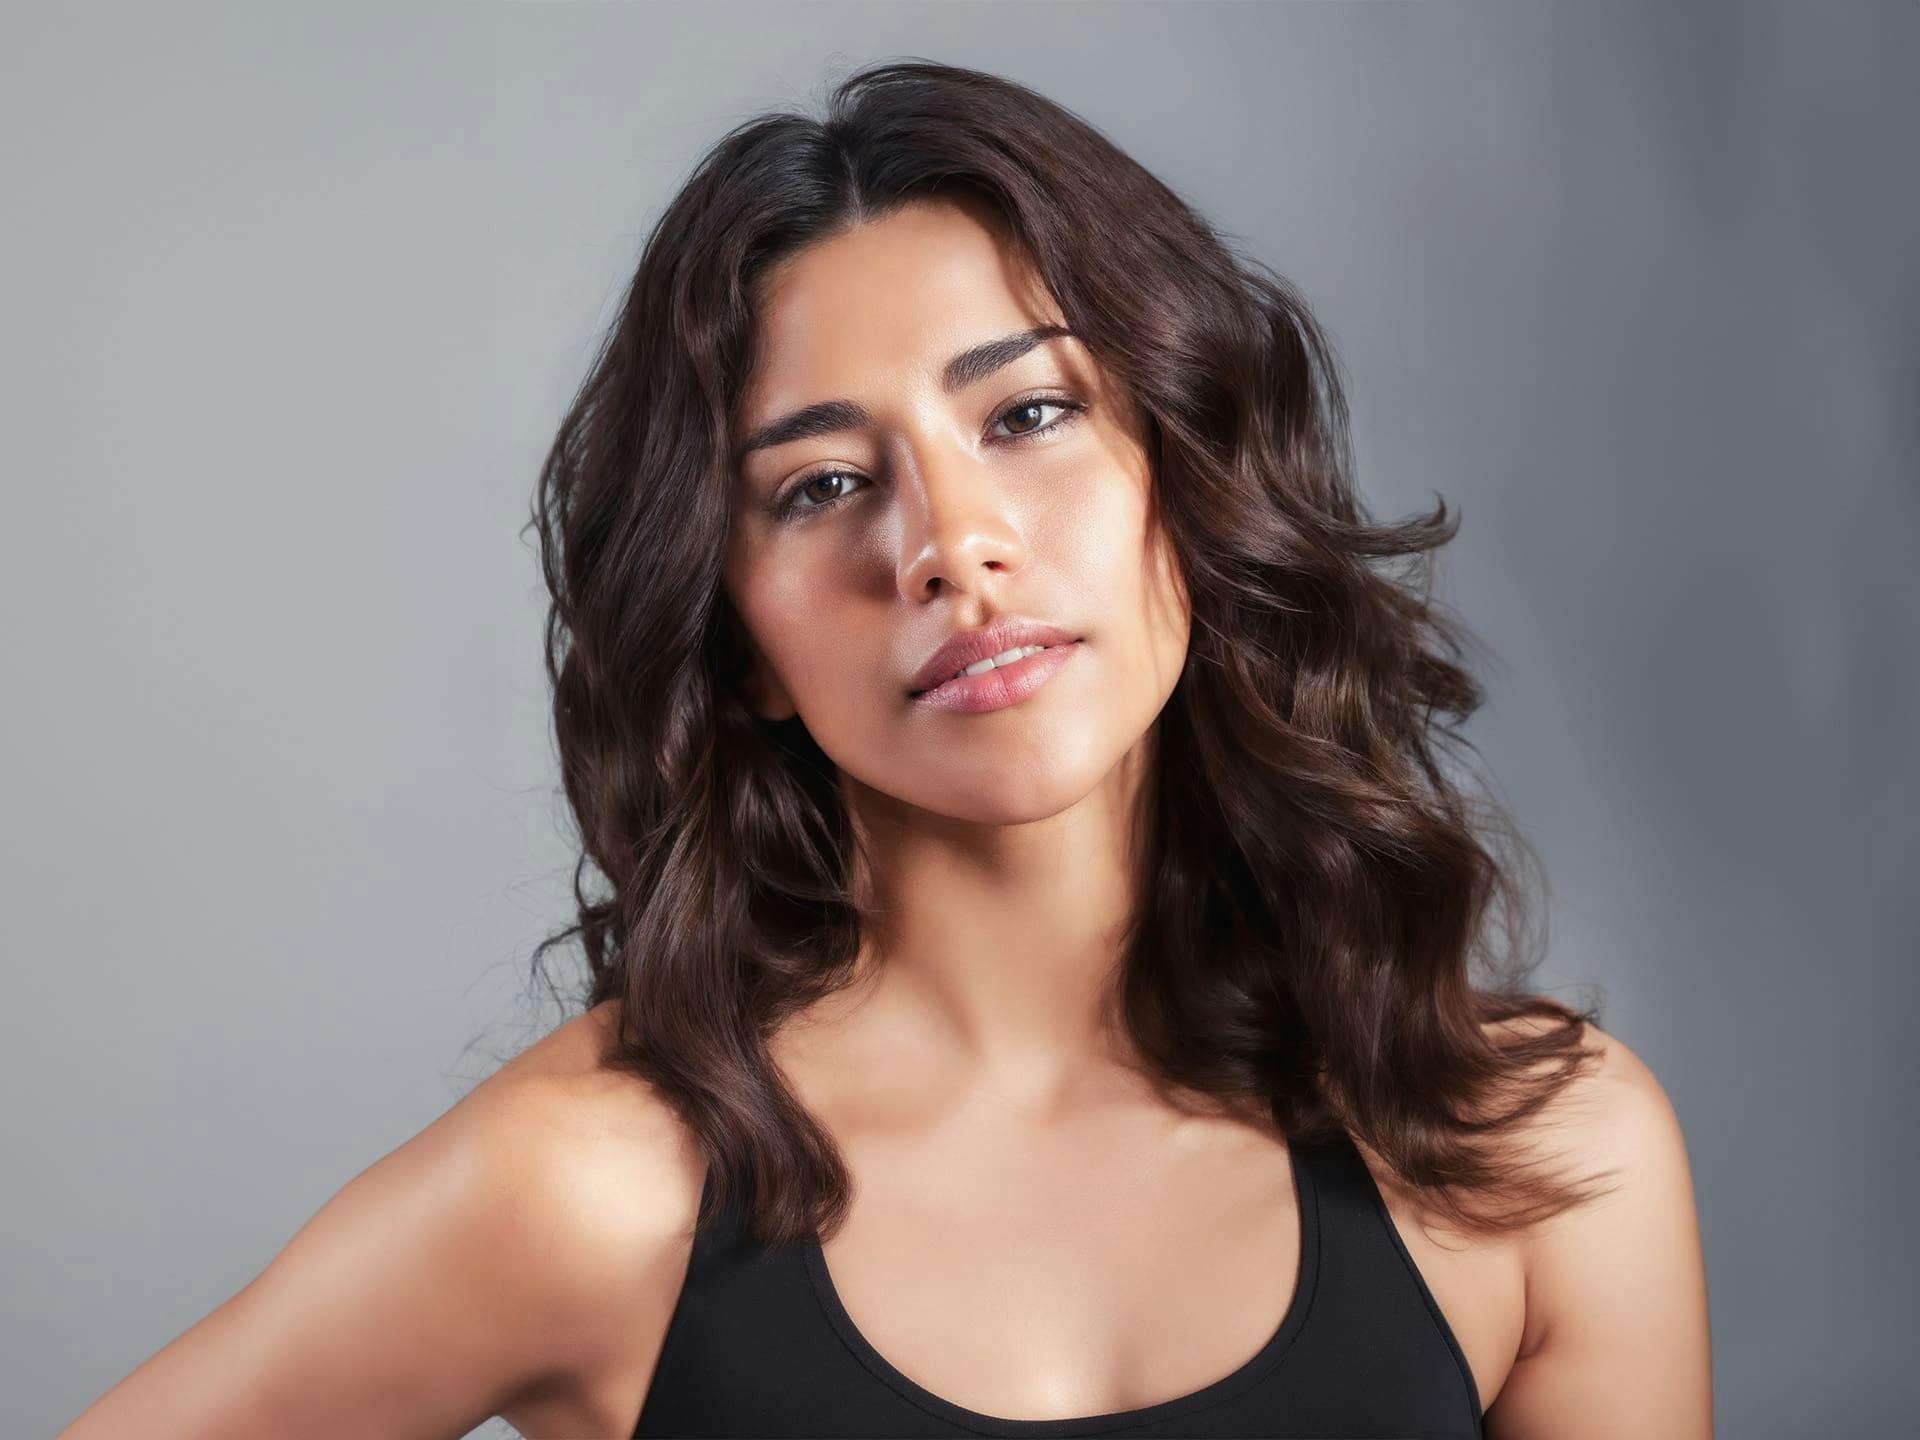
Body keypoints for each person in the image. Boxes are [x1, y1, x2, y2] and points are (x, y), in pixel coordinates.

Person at [62, 59, 1711, 1440]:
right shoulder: (588, 1187)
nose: (951, 546)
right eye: (823, 485)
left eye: (1028, 415)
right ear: (746, 644)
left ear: (1187, 486)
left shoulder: (1542, 1159)